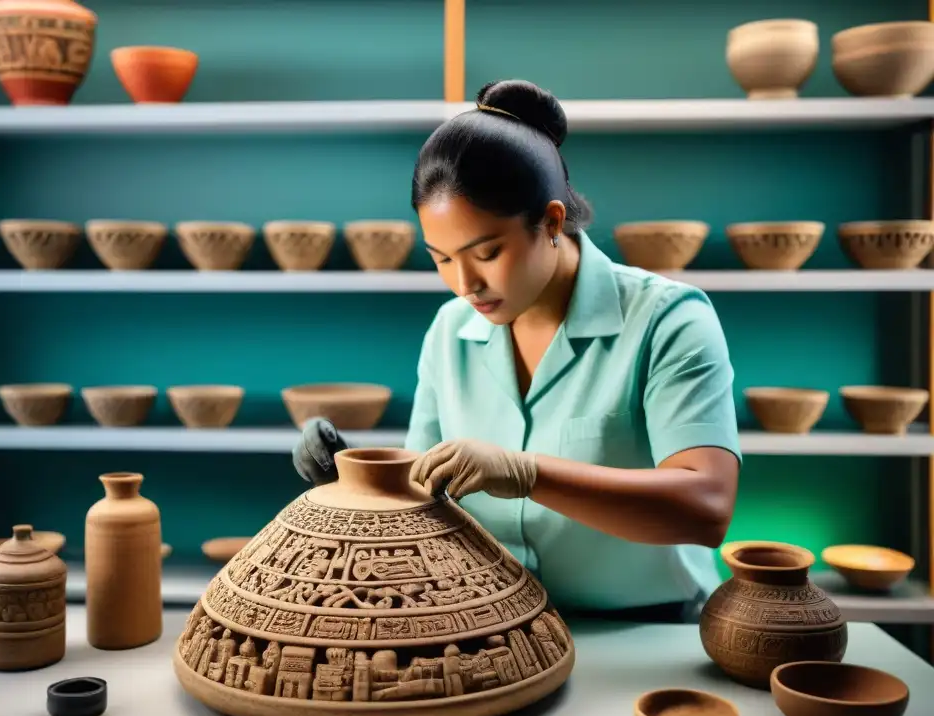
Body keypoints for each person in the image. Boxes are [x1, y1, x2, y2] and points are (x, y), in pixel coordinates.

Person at [293, 79, 741, 623]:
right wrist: (354, 478)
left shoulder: (667, 320)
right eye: (441, 258)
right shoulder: (449, 331)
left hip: (648, 633)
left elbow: (707, 508)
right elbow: (427, 504)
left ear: (551, 222)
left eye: (486, 252)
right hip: (494, 630)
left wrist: (527, 473)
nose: (465, 284)